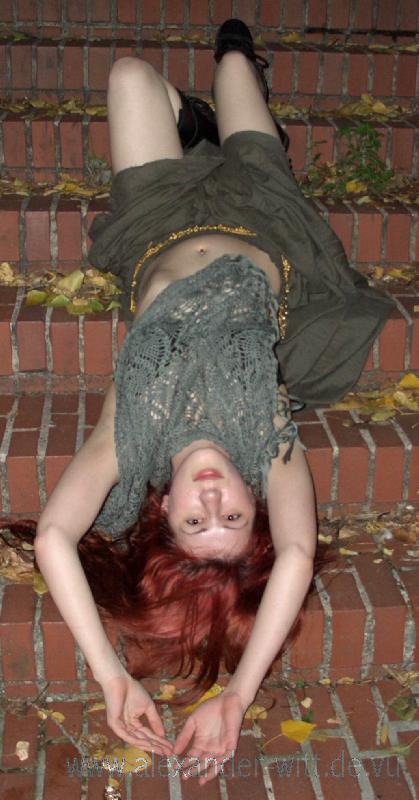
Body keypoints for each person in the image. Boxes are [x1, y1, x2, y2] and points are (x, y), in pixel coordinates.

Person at [32, 19, 394, 784]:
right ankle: (224, 109)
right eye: (231, 518)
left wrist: (110, 678)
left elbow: (55, 538)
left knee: (128, 74)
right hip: (264, 218)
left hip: (157, 223)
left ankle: (188, 125)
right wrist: (236, 694)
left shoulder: (131, 439)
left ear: (163, 510)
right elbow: (295, 555)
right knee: (234, 57)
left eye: (195, 523)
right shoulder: (266, 442)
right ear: (252, 506)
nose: (210, 501)